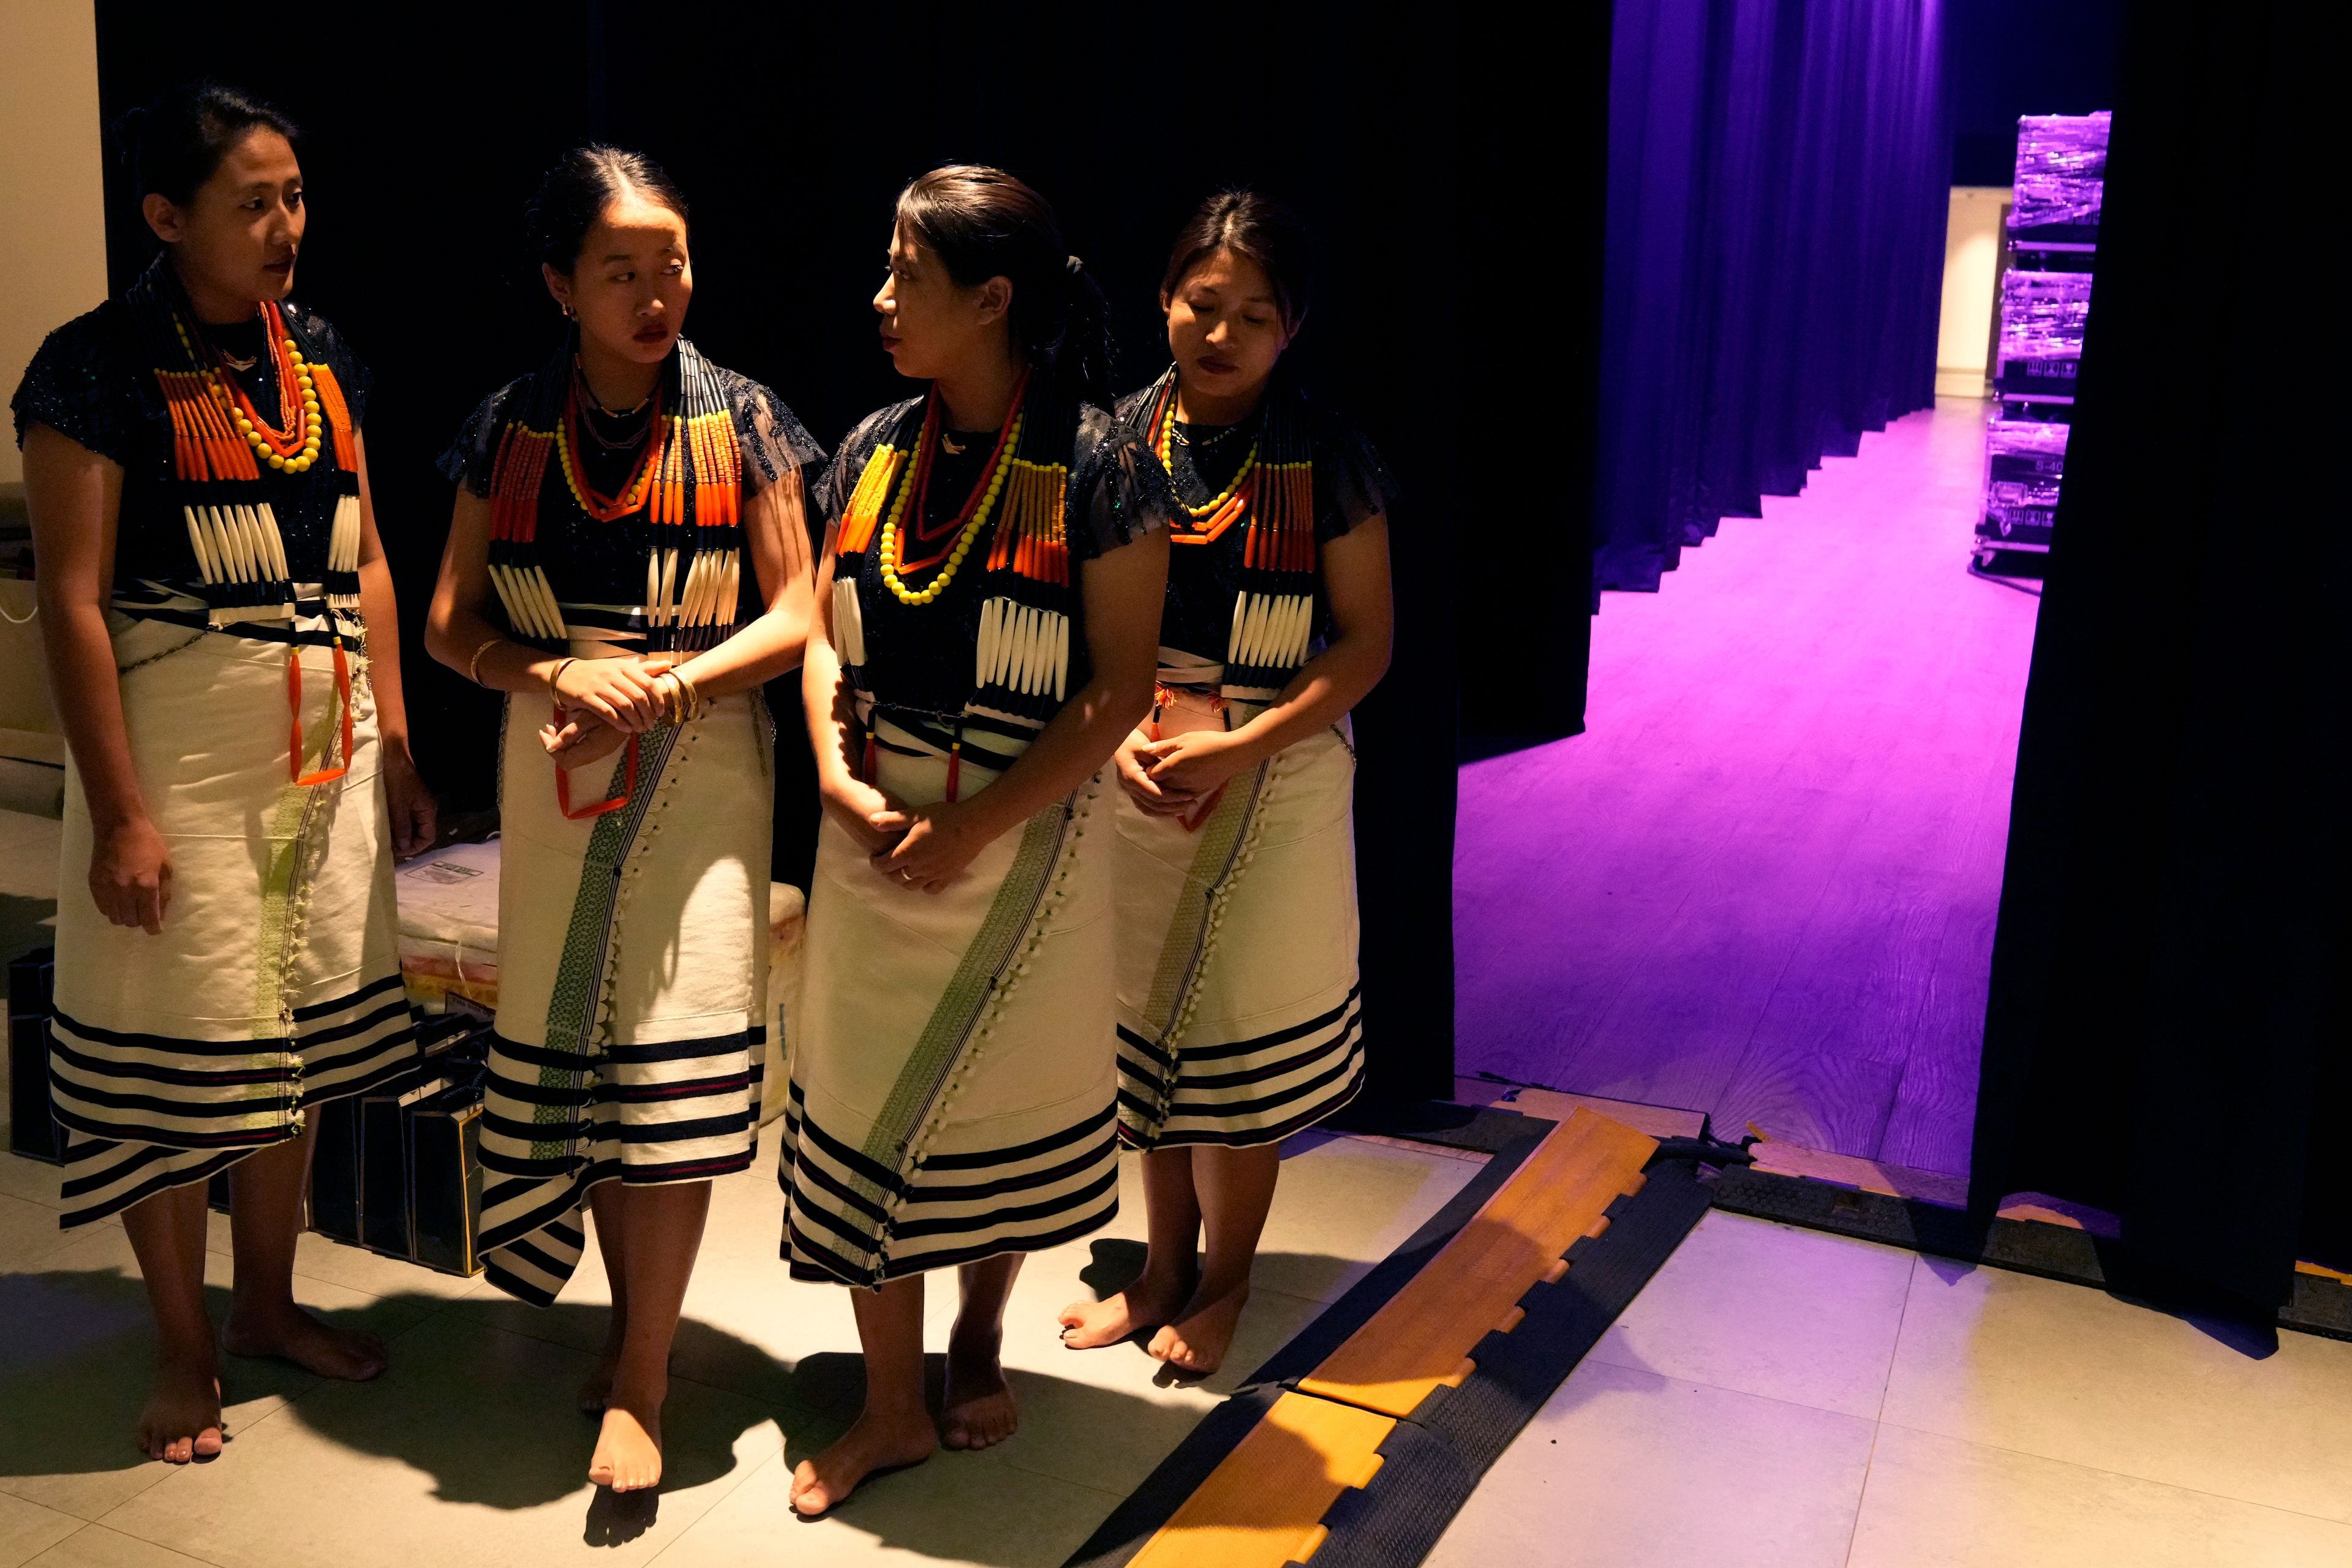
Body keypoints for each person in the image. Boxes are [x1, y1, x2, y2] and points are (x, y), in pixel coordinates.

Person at [13, 82, 435, 1465]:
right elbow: (75, 600)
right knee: (171, 1051)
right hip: (182, 753)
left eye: (294, 196)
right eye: (252, 201)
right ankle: (182, 1346)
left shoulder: (315, 351)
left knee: (293, 1043)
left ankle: (264, 1304)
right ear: (164, 215)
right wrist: (124, 813)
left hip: (322, 742)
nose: (285, 225)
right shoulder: (90, 363)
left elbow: (365, 553)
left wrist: (401, 741)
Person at [424, 145, 818, 1493]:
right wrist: (552, 672)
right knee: (583, 1057)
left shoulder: (749, 416)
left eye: (674, 266)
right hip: (554, 759)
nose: (659, 295)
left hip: (702, 764)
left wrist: (655, 689)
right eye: (622, 272)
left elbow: (794, 615)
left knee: (678, 1060)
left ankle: (645, 1372)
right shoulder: (507, 423)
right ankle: (625, 1325)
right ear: (560, 283)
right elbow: (447, 619)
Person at [779, 165, 1169, 1516]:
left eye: (910, 274)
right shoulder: (875, 444)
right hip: (874, 831)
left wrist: (977, 824)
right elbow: (823, 638)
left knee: (990, 1111)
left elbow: (1115, 687)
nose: (881, 299)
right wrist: (833, 773)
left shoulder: (1102, 459)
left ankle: (980, 1336)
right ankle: (888, 1403)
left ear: (993, 299)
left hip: (1020, 844)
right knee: (862, 1110)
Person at [1057, 191, 1397, 1378]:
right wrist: (1114, 742)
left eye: (1255, 314)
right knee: (1151, 1035)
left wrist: (1240, 746)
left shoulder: (1329, 453)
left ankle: (1228, 1277)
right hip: (1136, 758)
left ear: (1290, 329)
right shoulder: (1108, 446)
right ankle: (1158, 1267)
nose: (1221, 333)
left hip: (1278, 769)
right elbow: (1070, 628)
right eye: (1203, 304)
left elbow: (1365, 644)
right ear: (1164, 298)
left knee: (1237, 1058)